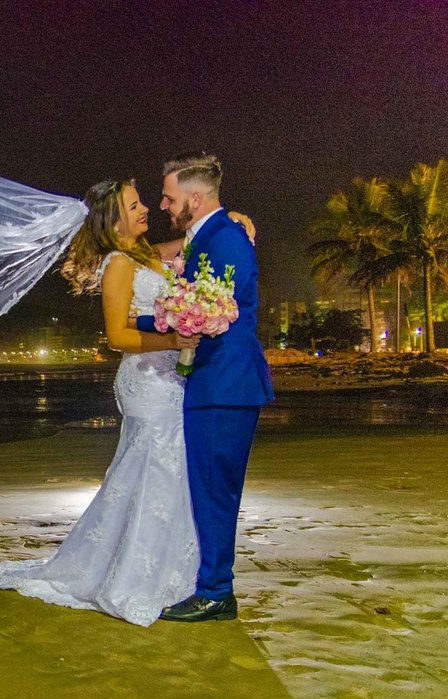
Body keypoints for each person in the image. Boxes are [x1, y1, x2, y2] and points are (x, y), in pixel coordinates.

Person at [0, 179, 203, 626]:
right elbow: (118, 336)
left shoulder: (144, 255)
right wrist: (175, 337)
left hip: (166, 377)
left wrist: (226, 222)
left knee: (160, 473)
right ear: (115, 221)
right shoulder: (120, 264)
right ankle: (135, 576)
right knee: (157, 469)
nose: (146, 208)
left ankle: (165, 567)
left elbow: (184, 241)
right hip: (147, 382)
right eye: (135, 204)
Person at [139, 153, 274, 622]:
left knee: (215, 491)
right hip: (216, 384)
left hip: (225, 385)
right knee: (210, 488)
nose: (162, 205)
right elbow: (196, 301)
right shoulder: (207, 237)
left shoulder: (225, 238)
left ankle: (217, 591)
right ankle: (214, 586)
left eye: (169, 197)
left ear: (195, 199)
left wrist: (147, 320)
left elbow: (218, 309)